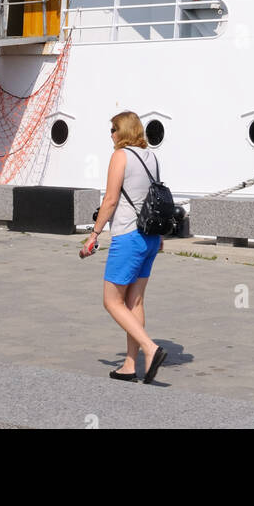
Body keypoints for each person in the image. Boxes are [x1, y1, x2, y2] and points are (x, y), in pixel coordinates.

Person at [80, 110, 168, 384]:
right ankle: (130, 365)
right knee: (135, 301)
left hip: (128, 237)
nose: (111, 135)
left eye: (113, 129)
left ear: (124, 131)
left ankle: (150, 348)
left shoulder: (121, 156)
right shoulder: (152, 157)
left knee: (111, 300)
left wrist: (94, 234)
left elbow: (110, 200)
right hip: (150, 238)